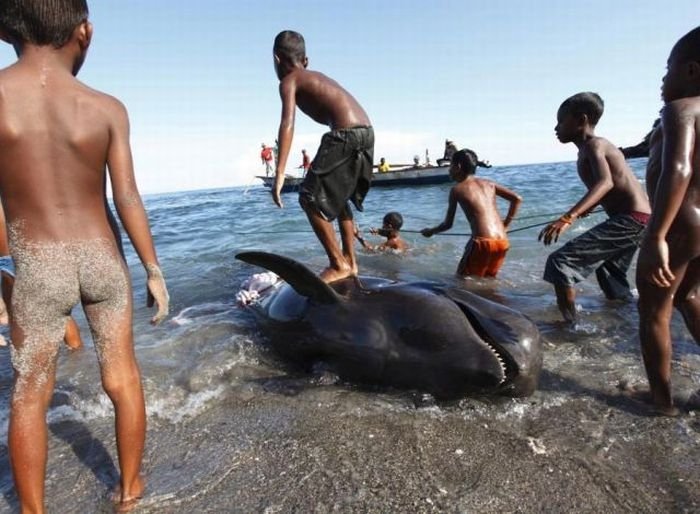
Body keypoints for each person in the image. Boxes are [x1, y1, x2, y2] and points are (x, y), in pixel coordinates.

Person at [0, 1, 170, 511]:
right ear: (85, 32)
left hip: (38, 265)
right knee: (122, 377)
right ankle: (129, 490)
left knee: (30, 390)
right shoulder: (106, 107)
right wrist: (154, 271)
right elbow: (128, 198)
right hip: (103, 261)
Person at [272, 30, 374, 283]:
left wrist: (280, 174)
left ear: (276, 60)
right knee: (339, 199)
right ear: (306, 60)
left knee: (309, 197)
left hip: (345, 134)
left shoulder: (289, 81)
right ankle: (351, 261)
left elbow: (287, 123)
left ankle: (338, 263)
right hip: (367, 132)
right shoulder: (318, 76)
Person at [539, 92, 651, 322]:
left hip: (631, 219)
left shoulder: (595, 145)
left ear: (581, 120)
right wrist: (591, 205)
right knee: (609, 271)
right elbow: (613, 185)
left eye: (561, 121)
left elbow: (605, 182)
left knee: (561, 262)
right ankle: (628, 318)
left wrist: (568, 217)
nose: (556, 128)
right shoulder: (591, 148)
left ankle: (571, 325)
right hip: (639, 219)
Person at [635, 26, 700, 416]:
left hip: (679, 224)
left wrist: (656, 234)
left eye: (667, 69)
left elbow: (678, 168)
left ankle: (662, 402)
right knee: (689, 297)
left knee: (654, 310)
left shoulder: (680, 109)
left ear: (691, 70)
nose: (663, 79)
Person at [422, 149, 521, 277]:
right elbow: (517, 199)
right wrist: (506, 226)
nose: (449, 170)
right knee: (488, 280)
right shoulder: (489, 184)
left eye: (450, 166)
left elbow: (448, 225)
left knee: (462, 280)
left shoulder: (457, 189)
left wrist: (431, 231)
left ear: (458, 167)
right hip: (502, 241)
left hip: (482, 242)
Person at [0, 199, 83, 349]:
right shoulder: (14, 191)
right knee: (59, 311)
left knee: (18, 320)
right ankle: (77, 354)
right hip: (33, 251)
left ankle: (30, 363)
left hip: (7, 260)